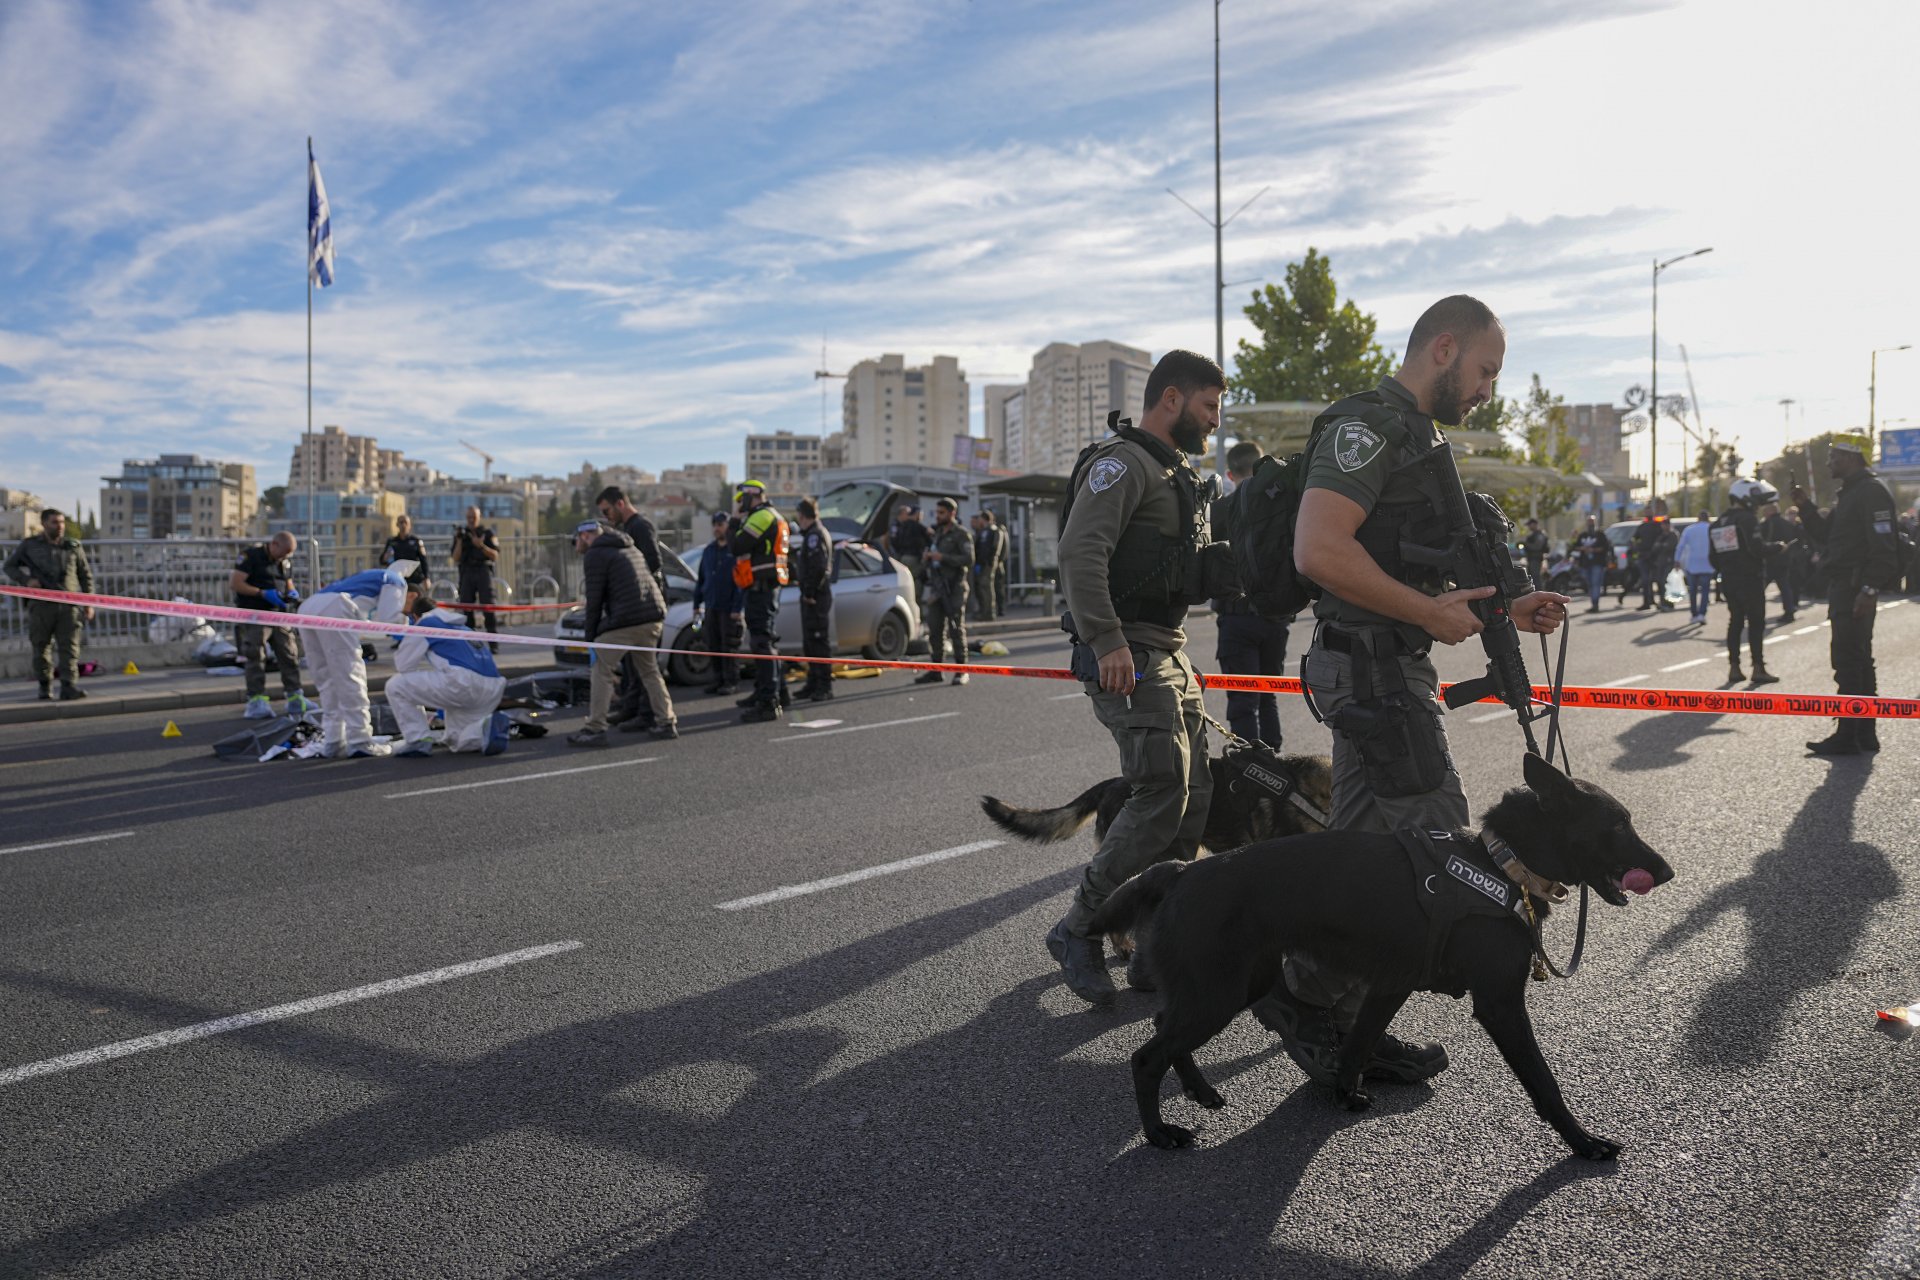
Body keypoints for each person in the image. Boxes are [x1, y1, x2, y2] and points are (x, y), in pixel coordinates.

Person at [1270, 294, 1570, 1086]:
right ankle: (1321, 1007)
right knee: (1431, 855)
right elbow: (1318, 548)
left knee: (1368, 861)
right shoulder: (1368, 428)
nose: (1487, 390)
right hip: (1371, 668)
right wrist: (1426, 615)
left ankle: (1323, 1010)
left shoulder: (1420, 438)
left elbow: (1406, 558)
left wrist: (1507, 608)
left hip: (1388, 665)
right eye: (1484, 370)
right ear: (1443, 348)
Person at [1049, 349, 1226, 1006]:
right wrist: (1106, 638)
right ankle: (1078, 929)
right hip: (1129, 655)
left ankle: (1156, 942)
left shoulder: (1173, 471)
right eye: (1208, 408)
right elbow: (1079, 551)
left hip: (1168, 653)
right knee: (1158, 796)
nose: (1213, 422)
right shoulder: (1121, 464)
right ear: (1172, 399)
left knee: (1193, 798)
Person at [1794, 434, 1903, 755]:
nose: (1829, 463)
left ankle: (1849, 734)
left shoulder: (1871, 492)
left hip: (1856, 588)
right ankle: (1864, 734)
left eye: (1834, 457)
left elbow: (1885, 550)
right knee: (1856, 661)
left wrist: (1868, 590)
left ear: (1852, 457)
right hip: (1846, 587)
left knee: (1849, 662)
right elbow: (1829, 537)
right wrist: (1805, 507)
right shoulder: (1852, 493)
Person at [568, 520, 676, 746]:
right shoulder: (628, 546)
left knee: (601, 669)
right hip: (652, 617)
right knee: (649, 670)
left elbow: (594, 599)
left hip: (629, 620)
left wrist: (591, 638)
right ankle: (666, 721)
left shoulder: (595, 554)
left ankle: (595, 728)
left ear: (586, 536)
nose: (575, 545)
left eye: (575, 540)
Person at [1213, 440, 1290, 748]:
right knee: (1268, 693)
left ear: (1230, 475)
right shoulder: (1283, 505)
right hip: (1276, 617)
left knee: (1243, 699)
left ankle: (1251, 768)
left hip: (1236, 617)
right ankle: (1274, 761)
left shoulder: (1218, 511)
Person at [296, 566, 413, 757]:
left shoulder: (370, 576)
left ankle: (334, 741)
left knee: (327, 680)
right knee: (349, 675)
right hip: (335, 608)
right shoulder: (396, 581)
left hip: (309, 606)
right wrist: (408, 626)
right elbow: (387, 622)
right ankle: (360, 740)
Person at [387, 594, 510, 756]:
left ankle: (418, 740)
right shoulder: (463, 627)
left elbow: (403, 664)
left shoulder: (426, 622)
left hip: (464, 684)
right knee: (457, 741)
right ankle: (483, 729)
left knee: (396, 685)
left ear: (415, 616)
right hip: (492, 689)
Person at [4, 508, 94, 701]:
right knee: (41, 647)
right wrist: (26, 580)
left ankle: (69, 686)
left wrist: (89, 602)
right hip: (41, 606)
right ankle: (45, 687)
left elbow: (85, 575)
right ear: (44, 523)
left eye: (62, 522)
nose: (60, 526)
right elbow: (9, 566)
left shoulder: (73, 546)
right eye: (55, 522)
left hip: (68, 606)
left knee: (69, 648)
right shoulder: (29, 546)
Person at [596, 486, 666, 731]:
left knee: (645, 665)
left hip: (644, 606)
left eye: (607, 510)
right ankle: (631, 708)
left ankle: (646, 714)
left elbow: (653, 562)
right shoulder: (628, 529)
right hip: (633, 606)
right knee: (633, 664)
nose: (607, 517)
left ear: (620, 504)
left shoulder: (640, 527)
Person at [1708, 480, 1783, 688]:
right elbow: (1757, 548)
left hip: (1729, 581)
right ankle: (1758, 668)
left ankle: (1734, 667)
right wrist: (1777, 548)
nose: (1757, 505)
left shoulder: (1717, 523)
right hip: (1750, 579)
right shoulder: (1747, 519)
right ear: (1744, 497)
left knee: (1735, 621)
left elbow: (1713, 558)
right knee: (1756, 623)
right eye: (1755, 500)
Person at [231, 530, 312, 718]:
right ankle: (256, 700)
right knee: (255, 657)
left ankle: (295, 697)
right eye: (284, 552)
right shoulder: (250, 556)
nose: (286, 557)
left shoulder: (283, 561)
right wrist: (261, 593)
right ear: (274, 544)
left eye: (289, 554)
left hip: (279, 615)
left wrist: (291, 593)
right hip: (255, 614)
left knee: (289, 654)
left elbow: (288, 582)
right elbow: (236, 583)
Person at [730, 480, 790, 723]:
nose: (738, 505)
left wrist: (735, 520)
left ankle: (768, 702)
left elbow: (737, 545)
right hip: (764, 587)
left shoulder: (762, 516)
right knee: (766, 641)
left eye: (740, 499)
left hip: (761, 589)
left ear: (750, 496)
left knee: (762, 643)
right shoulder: (768, 515)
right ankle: (776, 693)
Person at [914, 496, 974, 687]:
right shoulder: (937, 534)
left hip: (954, 588)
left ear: (952, 513)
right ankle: (936, 670)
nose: (938, 516)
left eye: (942, 513)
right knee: (935, 630)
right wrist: (927, 558)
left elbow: (968, 559)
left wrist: (944, 557)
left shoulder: (961, 534)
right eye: (937, 512)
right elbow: (929, 560)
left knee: (956, 629)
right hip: (937, 588)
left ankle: (961, 671)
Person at [693, 511, 745, 695]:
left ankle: (731, 681)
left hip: (729, 608)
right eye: (714, 524)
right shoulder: (709, 550)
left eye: (720, 525)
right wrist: (696, 603)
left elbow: (740, 581)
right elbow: (702, 579)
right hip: (711, 606)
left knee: (728, 646)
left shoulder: (734, 550)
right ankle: (718, 679)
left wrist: (737, 607)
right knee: (713, 645)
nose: (716, 528)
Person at [792, 498, 836, 702]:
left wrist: (809, 593)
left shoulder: (815, 535)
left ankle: (824, 685)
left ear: (803, 515)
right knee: (810, 642)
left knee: (819, 642)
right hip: (811, 595)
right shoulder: (812, 534)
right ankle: (813, 682)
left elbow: (819, 568)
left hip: (816, 597)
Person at [451, 506, 501, 654]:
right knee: (467, 607)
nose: (471, 520)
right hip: (467, 572)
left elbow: (495, 556)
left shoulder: (487, 533)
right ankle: (471, 643)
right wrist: (460, 540)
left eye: (474, 517)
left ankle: (493, 643)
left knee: (488, 607)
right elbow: (455, 558)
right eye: (469, 517)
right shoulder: (461, 535)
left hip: (483, 571)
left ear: (479, 517)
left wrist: (481, 546)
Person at [1759, 500, 1799, 622]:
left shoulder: (1766, 524)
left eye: (1765, 511)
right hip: (1784, 560)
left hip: (1770, 560)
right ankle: (1789, 612)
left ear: (1771, 511)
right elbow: (1796, 539)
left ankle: (1754, 612)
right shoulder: (1787, 524)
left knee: (1760, 588)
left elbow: (1760, 542)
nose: (1763, 513)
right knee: (1785, 587)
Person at [1674, 513, 1715, 626]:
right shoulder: (1711, 529)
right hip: (1708, 564)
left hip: (1692, 564)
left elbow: (1680, 546)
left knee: (1693, 590)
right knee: (1705, 590)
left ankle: (1694, 614)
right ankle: (1702, 613)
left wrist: (1677, 560)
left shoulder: (1689, 530)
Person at [378, 514, 431, 597]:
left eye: (406, 522)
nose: (403, 525)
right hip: (397, 578)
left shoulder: (416, 541)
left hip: (414, 578)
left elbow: (423, 560)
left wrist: (426, 578)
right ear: (397, 525)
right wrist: (386, 557)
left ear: (409, 525)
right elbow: (382, 560)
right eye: (401, 522)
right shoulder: (392, 542)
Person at [889, 504, 931, 602]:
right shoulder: (919, 527)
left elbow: (894, 541)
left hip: (902, 558)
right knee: (916, 581)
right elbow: (930, 539)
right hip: (914, 558)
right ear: (917, 514)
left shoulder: (901, 525)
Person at [1571, 515, 1612, 613]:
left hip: (1597, 563)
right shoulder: (1583, 535)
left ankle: (1595, 604)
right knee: (1589, 584)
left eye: (1592, 521)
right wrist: (1583, 549)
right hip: (1585, 564)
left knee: (1595, 583)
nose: (1590, 523)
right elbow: (1575, 546)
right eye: (1589, 521)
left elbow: (1605, 547)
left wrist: (1593, 550)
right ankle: (1593, 602)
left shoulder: (1600, 535)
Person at [971, 511, 1005, 621]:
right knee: (981, 588)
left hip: (987, 564)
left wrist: (990, 561)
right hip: (980, 563)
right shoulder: (982, 531)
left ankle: (989, 613)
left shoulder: (994, 530)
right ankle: (983, 611)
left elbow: (996, 548)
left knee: (986, 588)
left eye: (980, 518)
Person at [990, 510, 1010, 617]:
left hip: (998, 564)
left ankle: (1001, 609)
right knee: (999, 588)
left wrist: (997, 562)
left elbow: (999, 550)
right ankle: (1000, 608)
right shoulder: (1002, 531)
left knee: (998, 588)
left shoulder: (999, 532)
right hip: (1000, 563)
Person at [1520, 517, 1549, 587]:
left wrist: (1526, 544)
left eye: (1530, 524)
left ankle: (1540, 595)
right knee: (1532, 577)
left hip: (1535, 559)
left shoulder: (1539, 535)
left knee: (1536, 578)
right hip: (1532, 559)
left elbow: (1537, 547)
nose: (1529, 527)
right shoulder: (1534, 534)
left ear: (1534, 524)